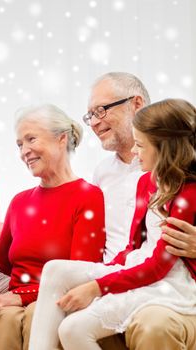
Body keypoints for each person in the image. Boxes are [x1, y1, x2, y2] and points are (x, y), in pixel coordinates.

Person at [29, 98, 196, 350]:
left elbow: (158, 267)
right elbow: (133, 246)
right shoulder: (146, 183)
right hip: (139, 265)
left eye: (140, 145)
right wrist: (107, 272)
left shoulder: (188, 195)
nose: (135, 152)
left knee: (73, 329)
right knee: (54, 269)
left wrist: (98, 286)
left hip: (167, 284)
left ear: (165, 149)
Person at [84, 72, 196, 349]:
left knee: (152, 324)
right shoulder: (103, 174)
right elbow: (129, 241)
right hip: (126, 272)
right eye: (89, 115)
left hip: (169, 284)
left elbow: (161, 261)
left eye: (101, 110)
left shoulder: (184, 179)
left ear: (136, 104)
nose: (94, 122)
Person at [0, 104, 106, 350]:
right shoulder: (19, 202)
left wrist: (23, 296)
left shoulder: (88, 196)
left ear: (61, 139)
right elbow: (2, 264)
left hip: (58, 300)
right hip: (14, 306)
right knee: (6, 318)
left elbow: (78, 276)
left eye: (31, 139)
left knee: (35, 314)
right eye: (19, 144)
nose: (24, 151)